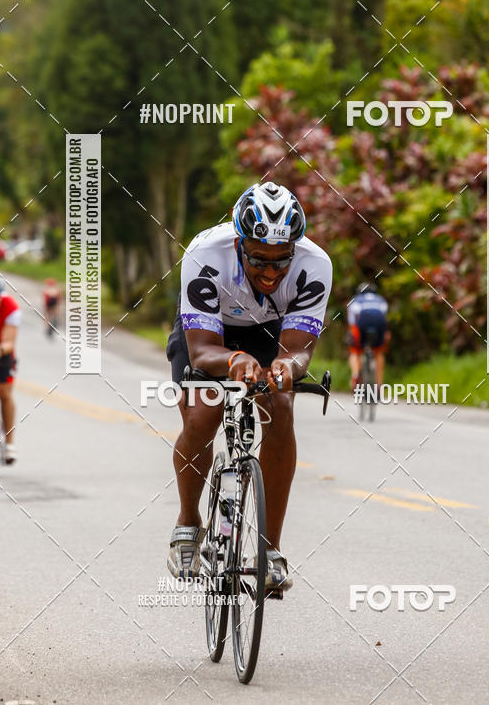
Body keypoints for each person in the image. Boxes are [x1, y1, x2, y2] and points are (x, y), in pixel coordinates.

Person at [166, 182, 332, 591]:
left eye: (282, 260)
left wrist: (284, 368)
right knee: (205, 409)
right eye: (260, 259)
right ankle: (188, 523)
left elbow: (297, 351)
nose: (272, 272)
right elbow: (203, 351)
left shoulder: (315, 264)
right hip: (210, 333)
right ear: (240, 243)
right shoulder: (205, 255)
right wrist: (235, 360)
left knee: (283, 406)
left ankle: (269, 552)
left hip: (267, 331)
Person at [0, 276, 21, 464]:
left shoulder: (11, 307)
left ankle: (10, 444)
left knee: (4, 393)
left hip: (2, 351)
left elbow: (9, 343)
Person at [347, 282, 389, 390]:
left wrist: (354, 337)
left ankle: (356, 375)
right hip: (379, 320)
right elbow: (384, 317)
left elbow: (352, 323)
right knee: (379, 352)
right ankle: (379, 386)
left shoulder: (355, 299)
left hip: (362, 320)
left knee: (355, 351)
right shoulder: (380, 299)